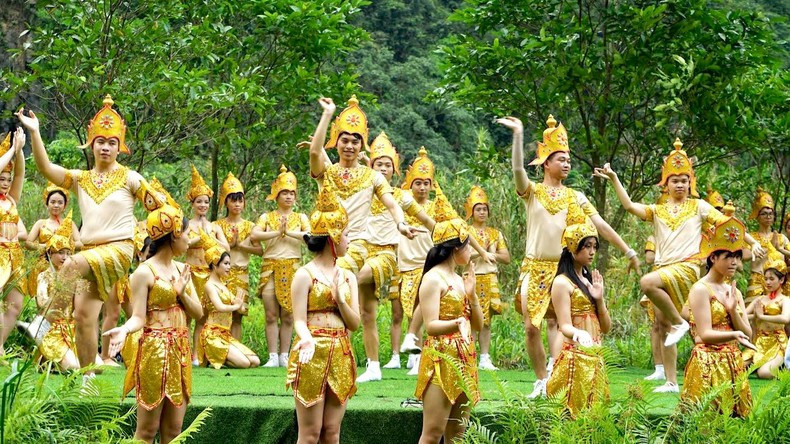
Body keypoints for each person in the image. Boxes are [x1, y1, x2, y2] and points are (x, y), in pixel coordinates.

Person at [594, 139, 765, 393]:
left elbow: (727, 223)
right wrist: (614, 178)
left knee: (647, 283)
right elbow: (629, 206)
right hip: (663, 268)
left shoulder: (699, 206)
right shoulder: (657, 210)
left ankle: (681, 323)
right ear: (666, 184)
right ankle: (672, 382)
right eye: (675, 180)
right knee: (664, 325)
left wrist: (753, 241)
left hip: (687, 267)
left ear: (690, 183)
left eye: (684, 180)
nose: (680, 185)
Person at [17, 96, 164, 382]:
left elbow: (159, 207)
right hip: (91, 256)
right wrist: (35, 132)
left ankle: (43, 325)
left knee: (71, 264)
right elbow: (46, 168)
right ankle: (88, 379)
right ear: (91, 144)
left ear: (119, 147)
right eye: (100, 141)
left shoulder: (130, 178)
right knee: (83, 317)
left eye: (112, 142)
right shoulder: (80, 179)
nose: (106, 147)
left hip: (118, 250)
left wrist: (150, 236)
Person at [497, 115, 638, 398]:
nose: (566, 164)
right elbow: (517, 170)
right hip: (535, 267)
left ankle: (556, 374)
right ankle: (541, 380)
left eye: (568, 160)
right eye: (560, 159)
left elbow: (600, 226)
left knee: (559, 323)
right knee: (531, 326)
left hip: (564, 269)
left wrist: (628, 249)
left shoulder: (576, 196)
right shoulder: (533, 191)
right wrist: (518, 135)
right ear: (546, 163)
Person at [103, 201, 203, 444]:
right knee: (147, 431)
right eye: (187, 233)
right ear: (174, 235)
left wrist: (181, 293)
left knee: (174, 430)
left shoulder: (183, 269)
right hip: (153, 352)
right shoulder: (144, 273)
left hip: (180, 351)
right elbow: (138, 316)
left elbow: (199, 313)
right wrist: (124, 330)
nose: (189, 239)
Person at [286, 178, 360, 444]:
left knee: (331, 431)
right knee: (310, 433)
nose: (349, 240)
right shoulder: (304, 275)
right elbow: (298, 319)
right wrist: (306, 338)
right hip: (312, 350)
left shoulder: (348, 276)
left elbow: (355, 324)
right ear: (333, 238)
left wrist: (341, 300)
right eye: (346, 235)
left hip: (340, 350)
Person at [415, 219, 481, 444]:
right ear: (456, 248)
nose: (471, 250)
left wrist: (472, 295)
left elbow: (478, 325)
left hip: (464, 357)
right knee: (433, 432)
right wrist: (457, 323)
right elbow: (431, 325)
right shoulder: (433, 279)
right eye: (468, 245)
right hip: (440, 358)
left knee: (459, 433)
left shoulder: (461, 280)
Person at [681, 211, 753, 417]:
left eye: (736, 257)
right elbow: (704, 334)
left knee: (736, 421)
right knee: (706, 421)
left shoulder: (734, 291)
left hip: (733, 360)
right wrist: (734, 334)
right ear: (713, 257)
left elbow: (748, 333)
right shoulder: (700, 289)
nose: (734, 262)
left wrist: (732, 310)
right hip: (708, 362)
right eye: (728, 257)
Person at [546, 211, 611, 418]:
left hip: (595, 355)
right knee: (570, 415)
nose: (592, 252)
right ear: (573, 247)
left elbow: (606, 327)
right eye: (587, 246)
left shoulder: (591, 281)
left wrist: (599, 298)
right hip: (573, 355)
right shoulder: (562, 283)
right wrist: (578, 333)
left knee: (594, 417)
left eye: (594, 247)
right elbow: (564, 325)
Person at [250, 165, 309, 368]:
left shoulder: (301, 218)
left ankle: (285, 354)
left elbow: (309, 236)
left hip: (293, 266)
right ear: (276, 195)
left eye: (292, 193)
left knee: (289, 314)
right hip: (271, 266)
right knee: (270, 314)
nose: (289, 196)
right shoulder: (267, 217)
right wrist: (277, 232)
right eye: (284, 192)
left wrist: (288, 232)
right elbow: (255, 235)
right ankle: (272, 355)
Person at [35, 210, 102, 370]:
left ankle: (56, 362)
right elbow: (42, 303)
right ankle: (48, 360)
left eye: (68, 253)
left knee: (98, 367)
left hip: (72, 329)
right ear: (50, 254)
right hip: (52, 330)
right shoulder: (44, 276)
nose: (64, 257)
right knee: (73, 366)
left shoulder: (74, 278)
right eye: (60, 253)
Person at [184, 165, 229, 365]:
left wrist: (210, 236)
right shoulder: (187, 225)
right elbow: (183, 245)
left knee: (203, 317)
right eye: (199, 202)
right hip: (191, 272)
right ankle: (184, 353)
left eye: (206, 202)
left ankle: (197, 355)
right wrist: (199, 237)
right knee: (187, 314)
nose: (203, 205)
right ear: (193, 204)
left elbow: (226, 247)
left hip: (208, 274)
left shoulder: (214, 226)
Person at [198, 230, 260, 369]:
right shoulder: (209, 286)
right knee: (244, 363)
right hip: (212, 335)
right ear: (215, 264)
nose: (228, 267)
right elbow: (220, 307)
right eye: (225, 263)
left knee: (255, 361)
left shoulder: (224, 285)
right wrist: (236, 306)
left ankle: (218, 358)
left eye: (229, 263)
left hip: (225, 335)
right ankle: (211, 356)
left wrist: (240, 305)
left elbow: (239, 307)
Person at [464, 185, 510, 370]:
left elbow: (506, 258)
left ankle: (484, 357)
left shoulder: (495, 233)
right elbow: (462, 258)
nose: (482, 212)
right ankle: (469, 356)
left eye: (484, 209)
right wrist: (481, 252)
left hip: (490, 277)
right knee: (470, 317)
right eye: (478, 209)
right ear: (471, 211)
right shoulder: (465, 231)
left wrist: (491, 253)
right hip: (472, 276)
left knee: (487, 320)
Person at [215, 172, 262, 340]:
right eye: (233, 200)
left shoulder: (250, 226)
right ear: (225, 202)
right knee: (220, 313)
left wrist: (240, 246)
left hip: (241, 272)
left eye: (240, 200)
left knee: (237, 315)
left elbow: (260, 251)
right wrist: (229, 246)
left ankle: (236, 348)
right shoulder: (217, 225)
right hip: (221, 274)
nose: (237, 204)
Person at [24, 182, 81, 299]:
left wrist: (63, 245)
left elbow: (80, 243)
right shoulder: (41, 223)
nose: (56, 205)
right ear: (47, 204)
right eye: (53, 202)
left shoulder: (70, 224)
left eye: (60, 202)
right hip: (42, 265)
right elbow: (28, 243)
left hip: (64, 264)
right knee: (42, 298)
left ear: (65, 206)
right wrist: (46, 246)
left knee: (62, 299)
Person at [0, 128, 27, 356]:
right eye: (2, 178)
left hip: (15, 254)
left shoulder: (11, 199)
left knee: (15, 304)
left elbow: (19, 176)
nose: (6, 183)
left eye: (8, 180)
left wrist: (19, 151)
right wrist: (11, 151)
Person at [745, 259, 789, 378]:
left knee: (764, 373)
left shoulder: (785, 300)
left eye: (772, 279)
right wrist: (755, 316)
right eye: (766, 279)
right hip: (758, 342)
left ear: (781, 280)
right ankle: (757, 364)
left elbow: (785, 318)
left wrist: (762, 316)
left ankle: (782, 366)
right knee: (736, 368)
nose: (768, 282)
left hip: (777, 343)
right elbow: (742, 316)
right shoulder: (759, 299)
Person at [746, 188, 788, 303]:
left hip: (778, 284)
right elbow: (744, 256)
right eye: (764, 213)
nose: (768, 216)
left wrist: (779, 249)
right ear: (757, 216)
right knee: (754, 310)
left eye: (771, 214)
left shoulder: (781, 238)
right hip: (757, 281)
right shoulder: (751, 237)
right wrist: (764, 248)